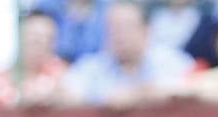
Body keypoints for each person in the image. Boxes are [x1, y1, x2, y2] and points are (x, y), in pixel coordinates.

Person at [65, 0, 193, 106]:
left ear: (146, 31)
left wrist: (140, 93)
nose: (119, 35)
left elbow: (197, 86)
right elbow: (68, 92)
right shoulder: (92, 66)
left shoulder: (171, 61)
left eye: (126, 27)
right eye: (113, 28)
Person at [0, 10, 74, 108]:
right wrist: (15, 99)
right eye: (36, 38)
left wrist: (56, 97)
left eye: (49, 39)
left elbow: (77, 99)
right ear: (20, 38)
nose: (43, 44)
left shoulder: (60, 73)